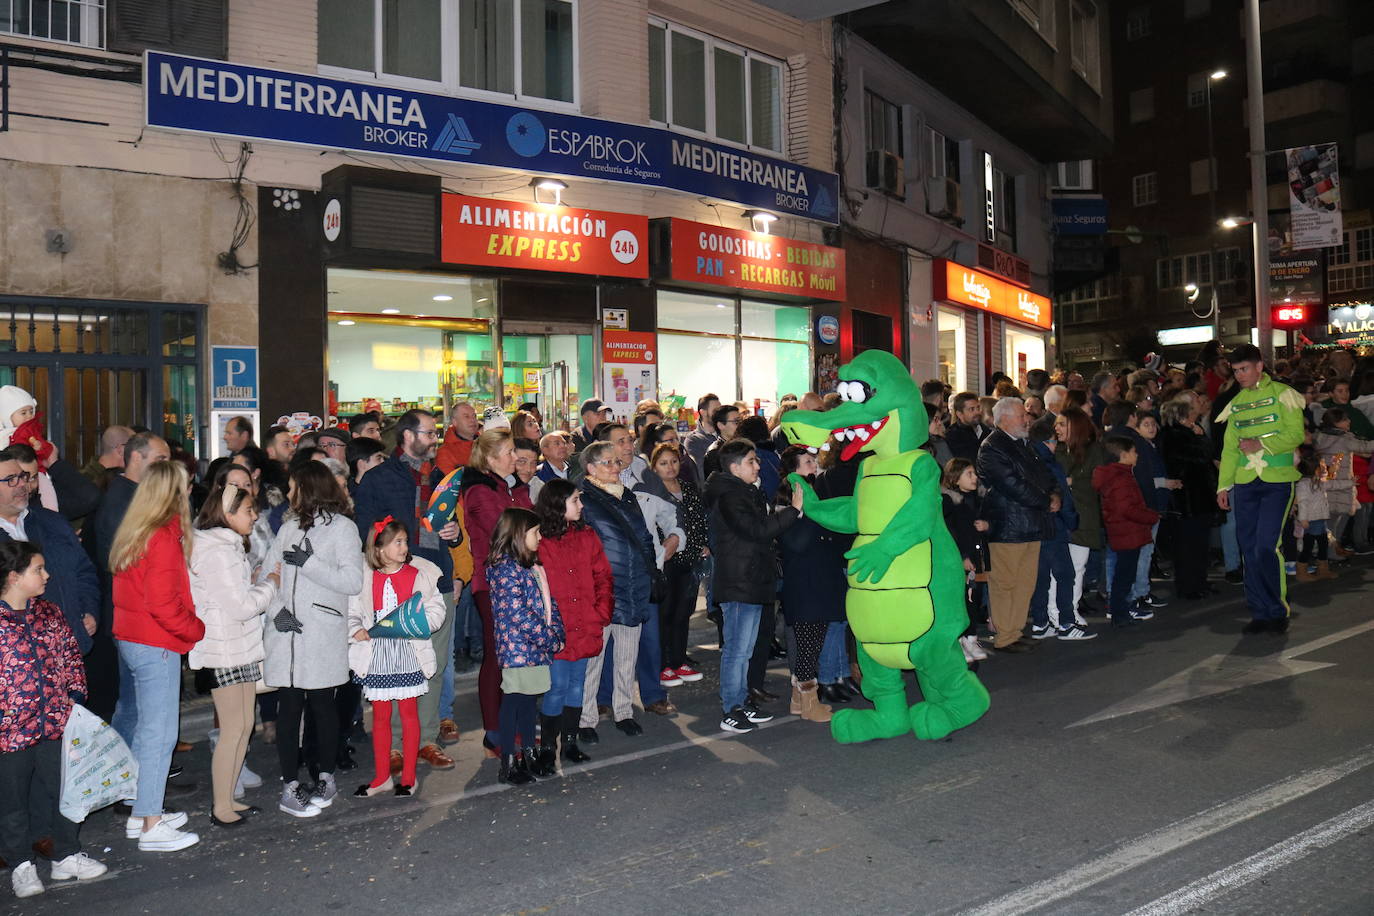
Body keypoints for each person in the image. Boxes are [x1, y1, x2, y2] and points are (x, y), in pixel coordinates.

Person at [352, 409, 463, 771]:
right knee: (398, 664)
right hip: (395, 586)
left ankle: (426, 739)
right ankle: (397, 743)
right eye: (430, 433)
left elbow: (455, 529)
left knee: (434, 663)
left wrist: (453, 534)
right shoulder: (380, 479)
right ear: (407, 436)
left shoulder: (444, 479)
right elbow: (364, 534)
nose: (435, 439)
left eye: (435, 433)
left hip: (439, 581)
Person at [0, 542, 107, 898]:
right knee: (12, 802)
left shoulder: (49, 613)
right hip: (10, 733)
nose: (47, 575)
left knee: (65, 791)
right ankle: (20, 865)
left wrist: (74, 694)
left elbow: (72, 657)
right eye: (38, 569)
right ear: (14, 577)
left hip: (55, 724)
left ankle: (65, 855)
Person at [108, 460, 204, 852]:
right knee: (159, 733)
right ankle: (151, 823)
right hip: (156, 643)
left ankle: (142, 812)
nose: (189, 492)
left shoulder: (135, 531)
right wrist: (195, 630)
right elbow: (163, 604)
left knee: (149, 729)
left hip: (134, 639)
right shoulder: (162, 536)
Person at [262, 462, 364, 817]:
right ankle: (290, 783)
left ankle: (325, 775)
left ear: (308, 487)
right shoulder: (288, 528)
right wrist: (277, 612)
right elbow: (267, 574)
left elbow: (352, 582)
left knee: (323, 706)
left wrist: (310, 564)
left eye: (293, 486)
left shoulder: (343, 529)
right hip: (287, 635)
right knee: (288, 708)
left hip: (320, 633)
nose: (289, 493)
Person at [188, 479, 279, 827]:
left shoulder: (224, 545)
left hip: (236, 646)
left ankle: (227, 801)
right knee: (233, 729)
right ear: (227, 513)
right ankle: (221, 806)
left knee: (243, 726)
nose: (254, 516)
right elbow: (240, 606)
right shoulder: (217, 550)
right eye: (247, 510)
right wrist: (270, 584)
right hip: (223, 648)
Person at [704, 439, 801, 734]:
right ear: (734, 467)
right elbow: (757, 531)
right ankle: (731, 708)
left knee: (745, 649)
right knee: (736, 649)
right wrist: (792, 511)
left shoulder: (745, 491)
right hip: (739, 580)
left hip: (752, 577)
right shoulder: (731, 495)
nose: (757, 466)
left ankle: (742, 700)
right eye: (751, 461)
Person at [348, 519, 448, 798]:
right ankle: (381, 777)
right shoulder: (366, 576)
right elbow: (352, 608)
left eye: (405, 541)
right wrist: (356, 628)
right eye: (398, 542)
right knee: (379, 716)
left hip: (407, 650)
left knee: (408, 713)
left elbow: (435, 608)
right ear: (379, 549)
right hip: (378, 651)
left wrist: (420, 624)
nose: (405, 547)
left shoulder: (419, 574)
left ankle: (409, 777)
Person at [1216, 344, 1306, 635]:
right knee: (1248, 549)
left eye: (1243, 369)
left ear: (1258, 366)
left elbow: (1296, 434)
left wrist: (1261, 444)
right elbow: (1230, 449)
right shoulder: (1237, 402)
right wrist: (1223, 485)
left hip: (1277, 480)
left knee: (1267, 546)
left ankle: (1277, 609)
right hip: (1244, 483)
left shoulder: (1284, 394)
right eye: (1235, 370)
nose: (1239, 375)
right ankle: (1259, 612)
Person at [460, 428, 533, 756]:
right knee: (497, 657)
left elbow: (532, 524)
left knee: (515, 659)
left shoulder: (511, 486)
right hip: (492, 584)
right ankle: (494, 731)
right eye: (508, 452)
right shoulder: (480, 490)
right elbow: (508, 533)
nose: (514, 457)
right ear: (490, 459)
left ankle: (513, 724)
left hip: (519, 581)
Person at [576, 441, 655, 740]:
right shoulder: (584, 500)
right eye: (607, 463)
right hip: (601, 589)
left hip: (633, 584)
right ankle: (585, 718)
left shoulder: (628, 497)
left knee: (626, 654)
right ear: (591, 468)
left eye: (617, 462)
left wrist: (651, 571)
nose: (615, 468)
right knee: (593, 657)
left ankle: (624, 711)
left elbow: (644, 536)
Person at [535, 479, 613, 769]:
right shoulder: (539, 540)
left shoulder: (587, 535)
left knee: (577, 686)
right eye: (575, 500)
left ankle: (569, 743)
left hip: (585, 622)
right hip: (556, 628)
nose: (581, 505)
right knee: (557, 687)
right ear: (558, 505)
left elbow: (602, 576)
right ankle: (546, 748)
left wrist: (601, 611)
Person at [976, 398, 1059, 653]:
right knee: (1005, 583)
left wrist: (1055, 493)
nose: (1026, 419)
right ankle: (1004, 635)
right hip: (1008, 526)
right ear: (1003, 419)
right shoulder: (992, 447)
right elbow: (1012, 485)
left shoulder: (1023, 443)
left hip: (1030, 522)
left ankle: (1015, 630)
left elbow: (1044, 474)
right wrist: (1046, 501)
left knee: (1025, 581)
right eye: (1021, 415)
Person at [488, 508, 564, 785]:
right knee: (514, 702)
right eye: (535, 532)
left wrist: (556, 630)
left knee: (529, 703)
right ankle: (508, 761)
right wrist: (548, 637)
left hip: (534, 648)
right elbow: (517, 614)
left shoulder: (530, 566)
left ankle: (528, 754)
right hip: (518, 650)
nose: (540, 537)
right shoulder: (505, 569)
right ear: (519, 535)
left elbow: (547, 603)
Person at [0, 450, 101, 659]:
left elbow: (84, 572)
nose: (21, 485)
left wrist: (89, 610)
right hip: (13, 664)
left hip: (67, 652)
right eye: (10, 480)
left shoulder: (53, 522)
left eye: (22, 477)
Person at [775, 446, 842, 723]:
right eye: (807, 462)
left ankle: (797, 701)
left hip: (821, 582)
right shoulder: (785, 502)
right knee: (807, 647)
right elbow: (795, 543)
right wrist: (805, 511)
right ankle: (810, 702)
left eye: (814, 460)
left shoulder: (816, 494)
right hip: (803, 585)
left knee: (812, 643)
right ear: (793, 471)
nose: (814, 465)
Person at [634, 444, 708, 687]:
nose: (670, 467)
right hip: (665, 561)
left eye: (674, 462)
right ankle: (663, 664)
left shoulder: (688, 488)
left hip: (689, 560)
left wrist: (702, 546)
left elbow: (698, 521)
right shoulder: (649, 491)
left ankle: (678, 660)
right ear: (654, 467)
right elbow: (654, 527)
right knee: (665, 613)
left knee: (683, 611)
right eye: (663, 463)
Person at [1027, 422, 1092, 640]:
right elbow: (1063, 496)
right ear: (1047, 442)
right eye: (1054, 441)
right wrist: (1072, 521)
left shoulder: (1026, 459)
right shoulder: (1050, 464)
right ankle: (1066, 623)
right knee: (1065, 574)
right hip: (1054, 527)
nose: (1057, 446)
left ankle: (1040, 623)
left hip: (1035, 527)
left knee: (1041, 578)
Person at [1093, 437, 1159, 629]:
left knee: (1124, 574)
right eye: (1133, 451)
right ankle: (1119, 613)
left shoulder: (1120, 475)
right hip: (1127, 531)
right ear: (1123, 455)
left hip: (1125, 531)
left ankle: (1120, 611)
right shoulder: (1120, 478)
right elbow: (1126, 509)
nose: (1136, 454)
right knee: (1124, 575)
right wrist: (1151, 517)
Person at [1159, 398, 1220, 599]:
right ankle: (1189, 585)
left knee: (1199, 543)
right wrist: (1201, 437)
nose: (1196, 415)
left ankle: (1199, 581)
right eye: (1191, 412)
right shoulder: (1175, 436)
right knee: (1188, 545)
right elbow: (1202, 456)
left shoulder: (1181, 435)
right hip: (1188, 498)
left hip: (1196, 497)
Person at [940, 459, 990, 662]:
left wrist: (987, 525)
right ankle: (960, 639)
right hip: (960, 558)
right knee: (961, 599)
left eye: (974, 473)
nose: (975, 478)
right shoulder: (949, 503)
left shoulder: (977, 499)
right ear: (955, 478)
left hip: (977, 555)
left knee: (973, 598)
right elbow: (950, 533)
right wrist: (962, 557)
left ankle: (972, 638)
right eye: (969, 474)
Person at [1314, 407, 1374, 557]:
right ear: (1336, 422)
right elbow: (1365, 446)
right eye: (1345, 419)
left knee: (1329, 521)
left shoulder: (1321, 437)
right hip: (1341, 484)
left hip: (1326, 483)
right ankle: (1330, 555)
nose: (1349, 421)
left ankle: (1330, 553)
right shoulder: (1343, 439)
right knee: (1336, 522)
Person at [1293, 453, 1336, 582]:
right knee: (1309, 545)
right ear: (1314, 469)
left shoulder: (1317, 481)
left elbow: (1333, 484)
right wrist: (1303, 519)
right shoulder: (1304, 484)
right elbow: (1302, 503)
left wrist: (1350, 482)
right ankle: (1302, 571)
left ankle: (1322, 570)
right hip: (1311, 520)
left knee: (1322, 543)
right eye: (1321, 466)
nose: (1324, 468)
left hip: (1319, 519)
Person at [81, 424, 133, 490]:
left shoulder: (124, 478)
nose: (138, 453)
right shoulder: (84, 482)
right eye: (135, 447)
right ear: (121, 450)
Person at [683, 393, 721, 476]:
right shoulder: (693, 440)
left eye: (720, 410)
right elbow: (699, 472)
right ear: (703, 412)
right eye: (715, 411)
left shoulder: (724, 434)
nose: (719, 414)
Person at [700, 403, 742, 479]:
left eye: (741, 421)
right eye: (736, 422)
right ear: (720, 425)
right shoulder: (715, 453)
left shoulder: (742, 446)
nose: (740, 425)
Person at [944, 393, 986, 464]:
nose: (977, 412)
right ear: (959, 414)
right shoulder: (953, 436)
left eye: (978, 407)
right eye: (971, 409)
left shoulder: (986, 430)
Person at [513, 436, 543, 503]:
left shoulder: (538, 487)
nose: (528, 469)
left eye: (533, 463)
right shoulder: (495, 489)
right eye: (521, 462)